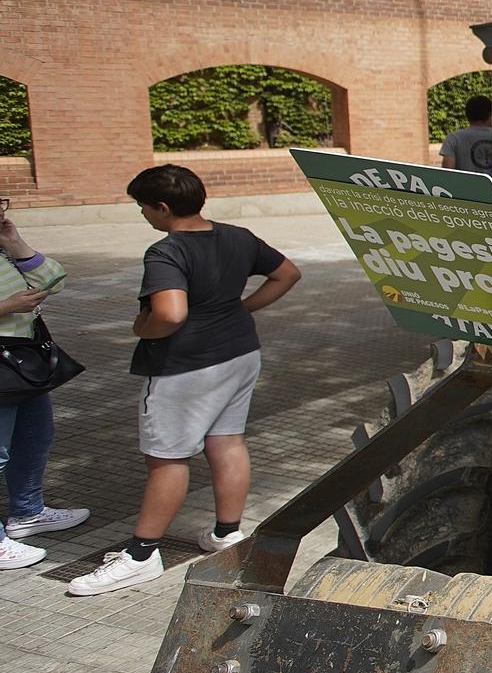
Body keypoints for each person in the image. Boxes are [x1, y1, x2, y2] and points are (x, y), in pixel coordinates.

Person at [68, 167, 301, 596]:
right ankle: (227, 535)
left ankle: (141, 554)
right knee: (227, 441)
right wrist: (242, 309)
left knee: (167, 458)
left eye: (143, 206)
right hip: (240, 353)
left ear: (162, 207)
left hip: (185, 366)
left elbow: (170, 313)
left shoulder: (166, 251)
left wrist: (143, 328)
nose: (142, 214)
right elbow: (287, 273)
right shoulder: (239, 236)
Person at [0, 199, 89, 569]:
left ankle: (27, 513)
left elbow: (56, 279)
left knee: (34, 438)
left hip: (21, 362)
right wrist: (6, 307)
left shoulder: (3, 248)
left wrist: (15, 242)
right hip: (7, 362)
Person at [440, 94, 492, 172]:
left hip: (464, 184)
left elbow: (447, 172)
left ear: (467, 115)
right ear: (490, 114)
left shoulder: (453, 138)